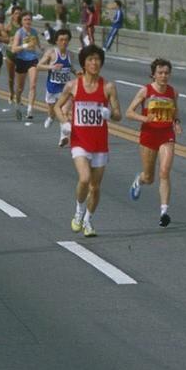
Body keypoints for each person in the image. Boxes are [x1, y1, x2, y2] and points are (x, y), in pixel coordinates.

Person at [53, 45, 122, 238]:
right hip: (80, 140)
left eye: (97, 59)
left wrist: (109, 114)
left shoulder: (108, 87)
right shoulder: (73, 85)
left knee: (96, 187)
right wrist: (64, 122)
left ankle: (88, 221)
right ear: (84, 63)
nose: (94, 63)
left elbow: (119, 114)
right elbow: (58, 107)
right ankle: (78, 212)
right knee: (84, 179)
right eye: (90, 59)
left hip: (100, 143)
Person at [126, 58, 181, 227]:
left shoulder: (173, 92)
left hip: (166, 135)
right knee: (149, 177)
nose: (164, 76)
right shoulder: (146, 91)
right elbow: (129, 112)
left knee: (164, 172)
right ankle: (139, 180)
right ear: (154, 74)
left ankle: (164, 212)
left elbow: (175, 111)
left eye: (166, 73)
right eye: (160, 73)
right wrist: (144, 118)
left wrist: (176, 122)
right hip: (149, 135)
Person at [39, 28, 75, 146]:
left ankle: (63, 137)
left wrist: (77, 73)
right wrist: (52, 67)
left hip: (65, 89)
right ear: (57, 41)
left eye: (66, 40)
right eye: (61, 40)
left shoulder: (70, 55)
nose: (64, 42)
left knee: (64, 111)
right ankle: (50, 117)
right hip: (52, 87)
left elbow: (71, 68)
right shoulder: (51, 53)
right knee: (52, 111)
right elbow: (39, 66)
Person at [9, 11, 41, 121]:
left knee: (33, 85)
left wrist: (43, 49)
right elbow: (13, 49)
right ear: (22, 22)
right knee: (19, 88)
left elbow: (39, 45)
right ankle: (17, 103)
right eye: (25, 20)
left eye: (29, 19)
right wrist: (25, 45)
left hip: (32, 60)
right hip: (21, 60)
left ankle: (30, 110)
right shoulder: (19, 33)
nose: (28, 21)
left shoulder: (34, 32)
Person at [4, 6, 22, 107]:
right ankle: (11, 93)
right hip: (10, 55)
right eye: (16, 13)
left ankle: (18, 97)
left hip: (20, 56)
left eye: (19, 13)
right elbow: (4, 38)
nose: (18, 15)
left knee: (20, 79)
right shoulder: (9, 26)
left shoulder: (23, 27)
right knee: (11, 78)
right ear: (12, 15)